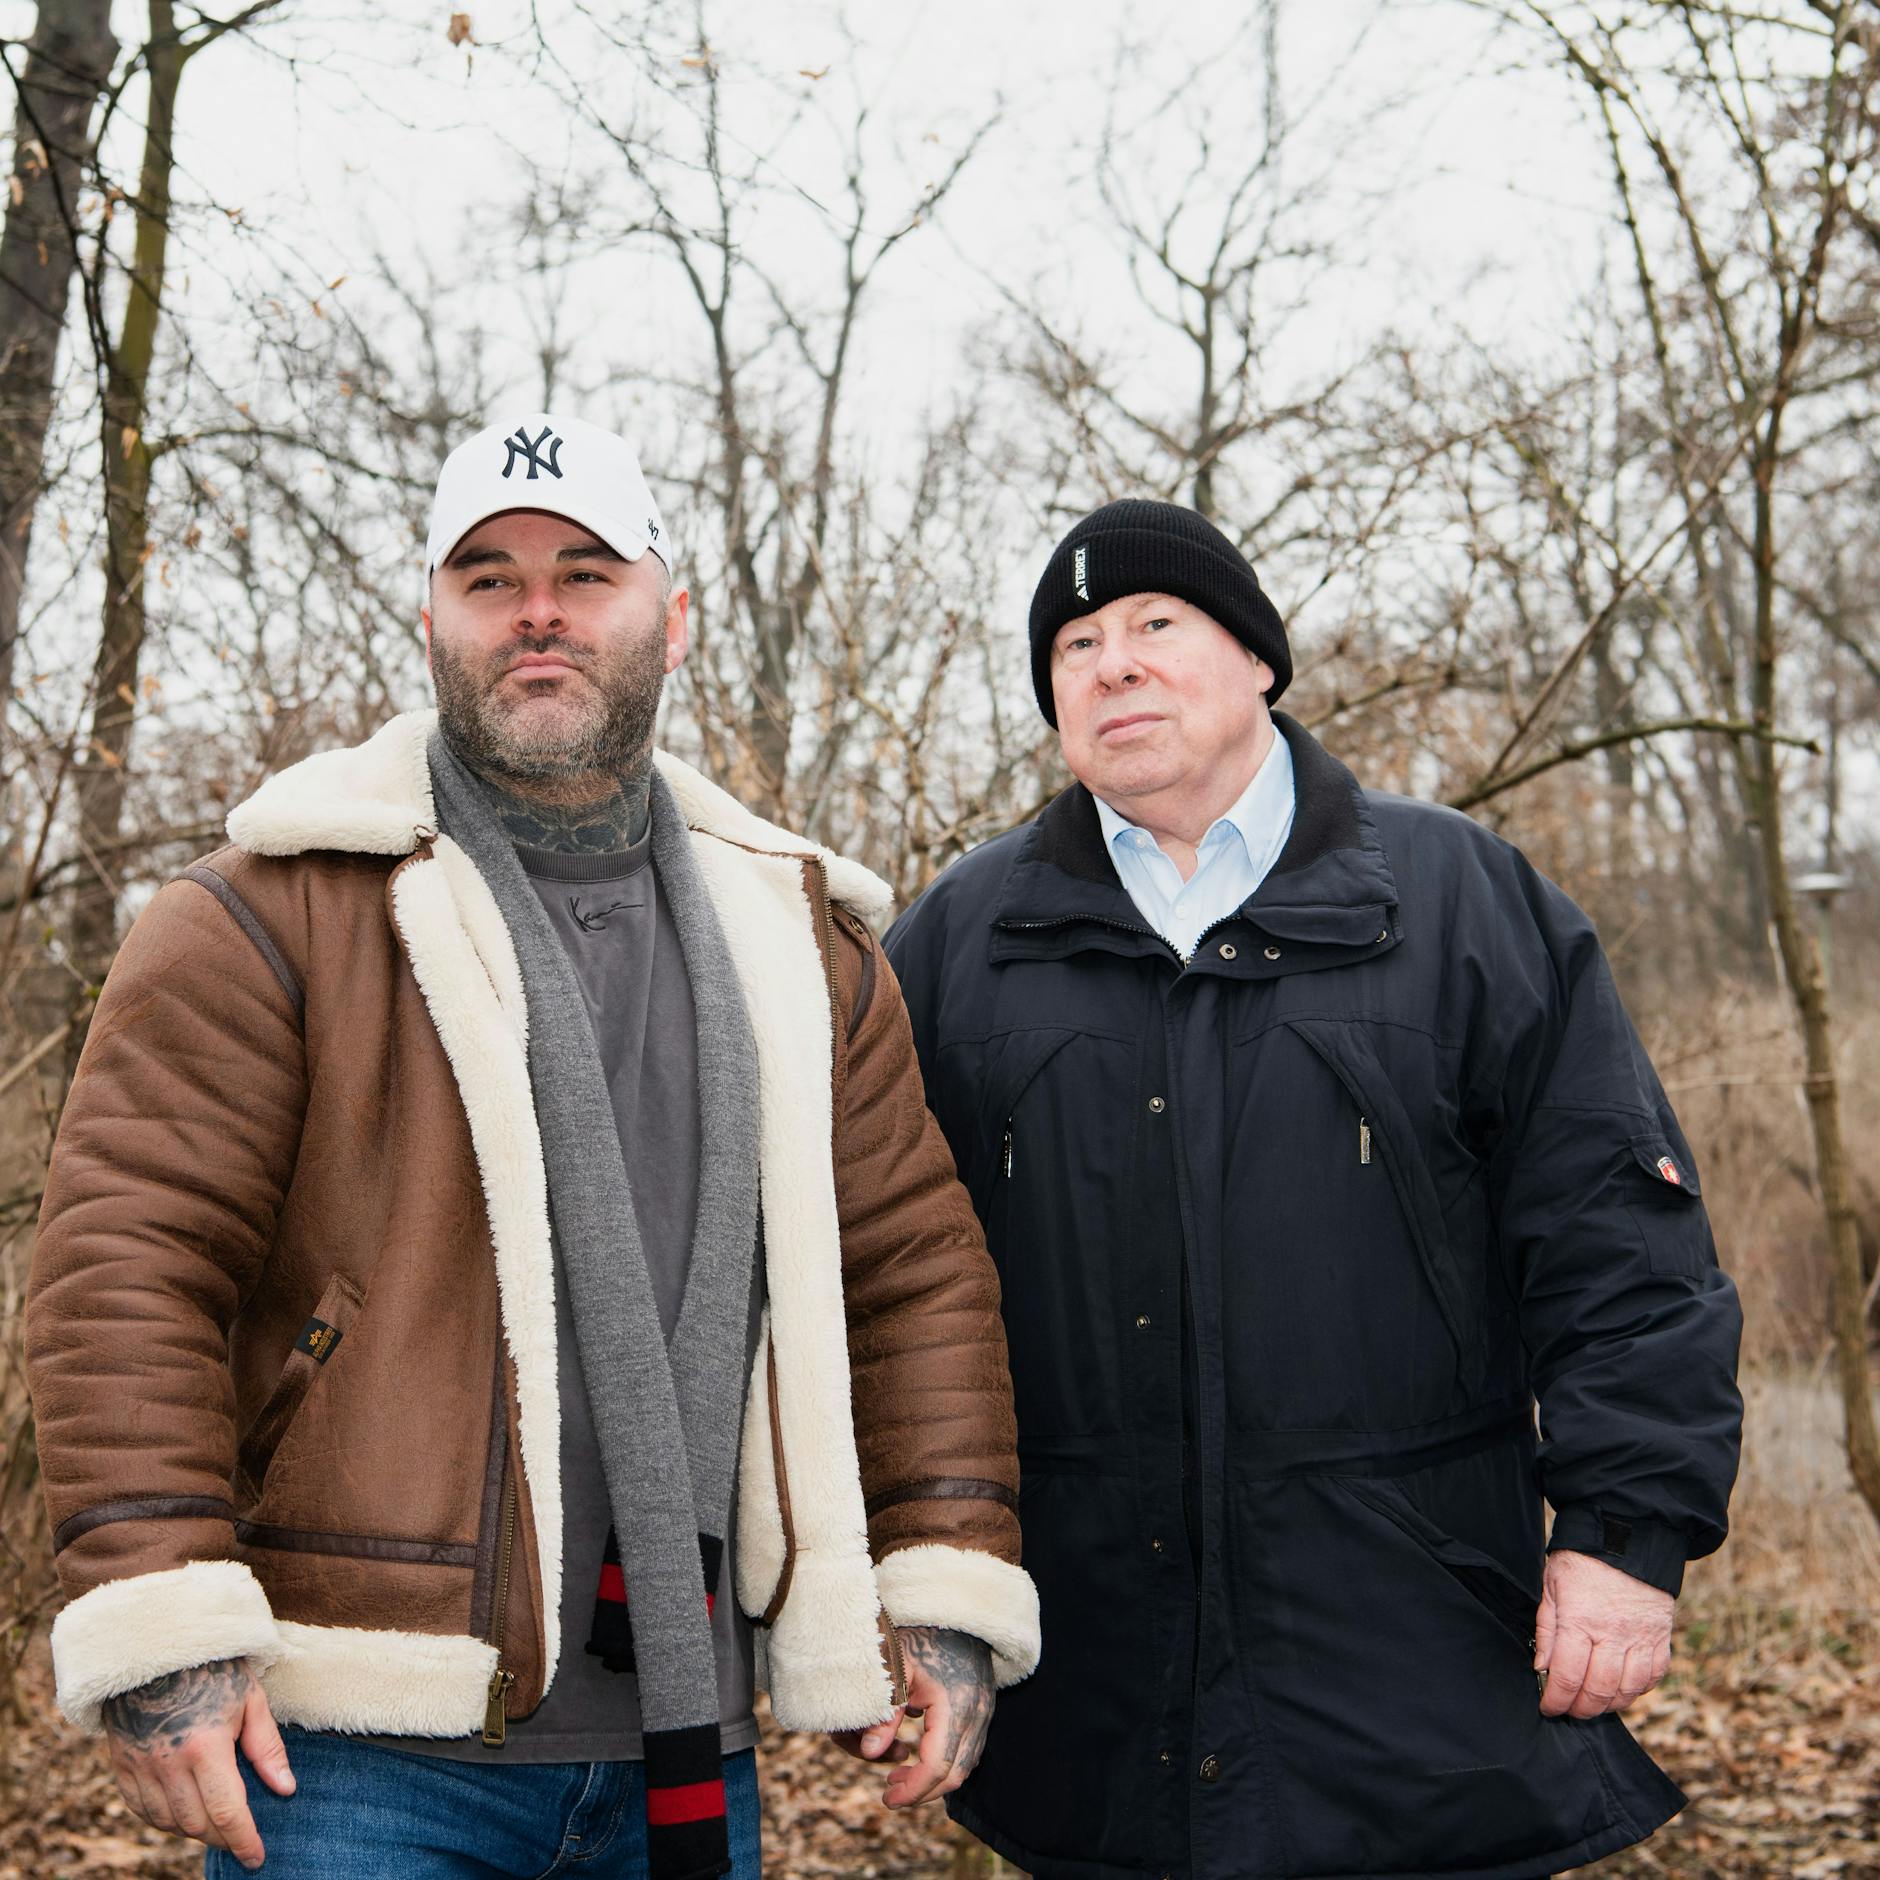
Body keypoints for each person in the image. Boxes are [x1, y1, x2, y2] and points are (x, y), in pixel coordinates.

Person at [27, 412, 1039, 1880]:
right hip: (357, 1747)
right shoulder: (270, 908)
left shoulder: (797, 940)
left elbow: (915, 1280)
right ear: (429, 618)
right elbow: (127, 1263)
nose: (539, 610)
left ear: (673, 618)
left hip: (689, 1739)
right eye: (489, 577)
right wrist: (163, 1626)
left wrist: (942, 1583)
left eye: (586, 570)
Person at [882, 499, 1743, 1880]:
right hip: (1098, 1705)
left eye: (1157, 626)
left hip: (1416, 1675)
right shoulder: (959, 944)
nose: (1112, 665)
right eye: (1076, 645)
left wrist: (1624, 1536)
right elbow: (887, 1290)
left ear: (1259, 662)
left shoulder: (1462, 903)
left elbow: (1620, 1244)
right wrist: (924, 1584)